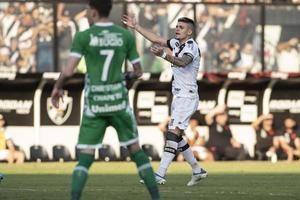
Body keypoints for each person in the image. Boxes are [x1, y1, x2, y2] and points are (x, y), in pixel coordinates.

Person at [51, 1, 160, 200]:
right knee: (135, 150)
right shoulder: (125, 35)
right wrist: (122, 78)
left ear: (93, 11)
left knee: (85, 156)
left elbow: (68, 71)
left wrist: (57, 87)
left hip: (95, 104)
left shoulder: (84, 36)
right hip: (118, 101)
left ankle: (74, 198)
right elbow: (138, 72)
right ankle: (156, 198)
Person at [122, 15, 207, 186]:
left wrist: (163, 55)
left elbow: (183, 62)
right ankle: (197, 170)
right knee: (177, 135)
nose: (177, 29)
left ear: (189, 32)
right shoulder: (176, 43)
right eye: (177, 26)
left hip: (187, 96)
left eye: (181, 27)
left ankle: (160, 174)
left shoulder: (192, 47)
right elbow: (157, 39)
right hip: (179, 95)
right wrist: (136, 26)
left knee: (172, 134)